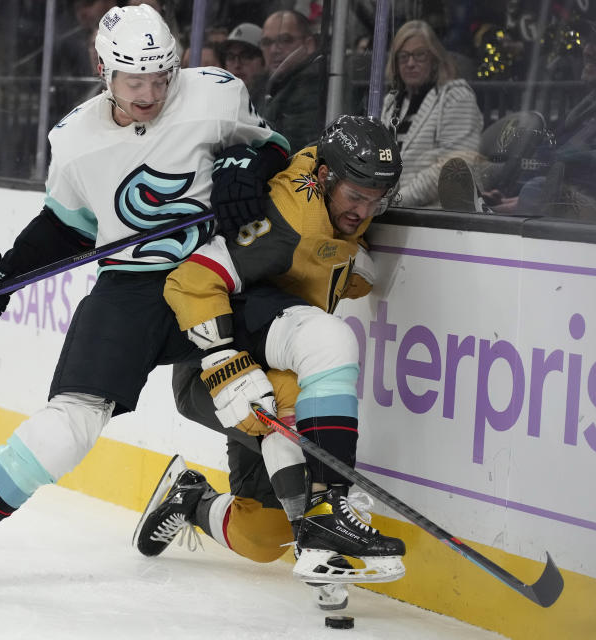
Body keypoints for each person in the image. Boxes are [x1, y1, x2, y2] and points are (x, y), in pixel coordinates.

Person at [0, 4, 290, 597]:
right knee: (66, 426)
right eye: (135, 81)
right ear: (104, 70)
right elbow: (67, 228)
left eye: (161, 77)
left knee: (301, 346)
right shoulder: (75, 141)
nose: (150, 93)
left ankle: (316, 510)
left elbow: (278, 151)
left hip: (221, 277)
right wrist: (2, 274)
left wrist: (248, 167)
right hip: (133, 290)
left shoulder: (216, 96)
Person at [134, 116, 407, 609]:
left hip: (275, 360)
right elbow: (189, 279)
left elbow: (329, 257)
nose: (364, 210)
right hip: (213, 374)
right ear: (324, 177)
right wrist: (219, 359)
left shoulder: (337, 206)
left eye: (376, 200)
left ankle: (189, 497)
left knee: (260, 538)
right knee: (309, 378)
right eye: (355, 196)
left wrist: (348, 263)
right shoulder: (284, 215)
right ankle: (324, 522)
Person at [440, 7, 596, 226]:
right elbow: (553, 156)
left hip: (570, 219)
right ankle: (489, 208)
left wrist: (540, 194)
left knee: (535, 189)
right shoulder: (587, 108)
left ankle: (488, 212)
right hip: (541, 203)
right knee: (491, 173)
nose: (587, 50)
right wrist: (510, 192)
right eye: (589, 40)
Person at [379, 19, 482, 208]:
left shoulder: (456, 96)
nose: (410, 63)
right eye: (403, 56)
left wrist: (396, 201)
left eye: (419, 55)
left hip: (436, 216)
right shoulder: (391, 102)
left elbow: (453, 166)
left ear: (435, 59)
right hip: (392, 209)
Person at [259, 10, 325, 151]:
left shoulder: (310, 85)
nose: (274, 49)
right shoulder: (269, 85)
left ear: (309, 44)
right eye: (266, 42)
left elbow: (296, 145)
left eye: (285, 40)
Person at [219, 22, 266, 107]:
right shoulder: (218, 103)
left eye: (246, 56)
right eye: (230, 57)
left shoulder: (271, 104)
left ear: (264, 60)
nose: (237, 65)